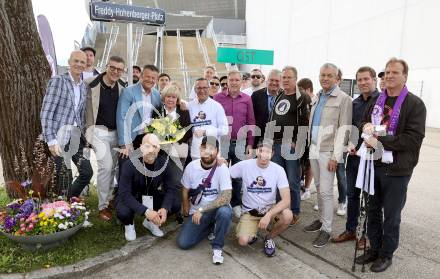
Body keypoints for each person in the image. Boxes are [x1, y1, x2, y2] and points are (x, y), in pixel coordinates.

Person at [355, 58, 426, 272]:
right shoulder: (377, 101)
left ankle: (387, 254)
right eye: (386, 72)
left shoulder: (414, 104)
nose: (389, 76)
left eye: (395, 72)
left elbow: (413, 139)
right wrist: (365, 125)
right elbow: (363, 123)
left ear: (405, 76)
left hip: (397, 169)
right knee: (372, 210)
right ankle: (375, 248)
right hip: (372, 164)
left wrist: (381, 141)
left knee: (392, 215)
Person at [304, 63, 352, 248]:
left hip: (328, 152)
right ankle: (321, 220)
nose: (325, 78)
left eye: (329, 75)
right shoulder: (317, 97)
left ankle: (326, 229)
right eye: (322, 74)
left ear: (337, 79)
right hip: (314, 148)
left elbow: (344, 129)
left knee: (325, 191)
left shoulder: (343, 99)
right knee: (318, 187)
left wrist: (335, 157)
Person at [331, 66, 380, 247]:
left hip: (373, 159)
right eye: (359, 80)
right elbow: (349, 128)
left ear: (374, 79)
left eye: (366, 79)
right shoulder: (355, 103)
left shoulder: (382, 101)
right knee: (352, 195)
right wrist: (349, 145)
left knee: (369, 198)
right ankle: (351, 230)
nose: (362, 83)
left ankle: (365, 234)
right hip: (353, 157)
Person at [40, 50, 93, 198]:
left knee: (87, 172)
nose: (79, 64)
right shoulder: (58, 81)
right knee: (65, 176)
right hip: (59, 137)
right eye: (75, 61)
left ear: (85, 65)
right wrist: (51, 140)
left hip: (76, 137)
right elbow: (46, 112)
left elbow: (81, 115)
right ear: (69, 62)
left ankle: (67, 205)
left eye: (82, 62)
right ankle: (65, 210)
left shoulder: (83, 87)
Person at [231, 141, 293, 257]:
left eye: (268, 152)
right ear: (256, 151)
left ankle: (269, 238)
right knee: (243, 241)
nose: (264, 155)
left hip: (269, 209)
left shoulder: (278, 170)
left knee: (288, 215)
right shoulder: (245, 165)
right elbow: (225, 174)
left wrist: (269, 215)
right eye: (261, 150)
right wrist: (220, 162)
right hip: (250, 211)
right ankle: (251, 232)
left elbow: (286, 200)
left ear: (272, 153)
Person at [177, 136, 232, 265]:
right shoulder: (191, 166)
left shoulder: (222, 168)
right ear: (200, 148)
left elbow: (226, 197)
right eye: (204, 147)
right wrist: (185, 206)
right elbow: (185, 188)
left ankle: (217, 247)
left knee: (225, 213)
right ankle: (210, 227)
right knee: (183, 243)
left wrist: (202, 210)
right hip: (197, 211)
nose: (207, 151)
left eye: (211, 148)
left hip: (215, 209)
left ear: (217, 152)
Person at [116, 134, 181, 240]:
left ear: (159, 148)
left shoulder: (164, 163)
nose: (151, 150)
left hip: (151, 195)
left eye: (154, 146)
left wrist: (164, 208)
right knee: (123, 212)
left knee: (175, 204)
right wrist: (146, 211)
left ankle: (150, 223)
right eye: (147, 146)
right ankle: (129, 224)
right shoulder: (129, 164)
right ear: (141, 147)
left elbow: (170, 189)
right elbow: (124, 194)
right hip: (131, 196)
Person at [85, 56, 127, 221]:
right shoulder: (91, 83)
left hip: (116, 132)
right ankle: (103, 206)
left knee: (114, 166)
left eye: (119, 69)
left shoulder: (123, 86)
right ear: (106, 66)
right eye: (113, 68)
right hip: (98, 131)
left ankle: (109, 199)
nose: (115, 72)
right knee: (106, 166)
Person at [269, 66, 310, 225]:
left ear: (295, 79)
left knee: (292, 180)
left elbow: (306, 124)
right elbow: (272, 118)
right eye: (283, 77)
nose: (285, 80)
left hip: (291, 146)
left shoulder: (302, 97)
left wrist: (298, 144)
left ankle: (295, 211)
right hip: (276, 144)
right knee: (279, 180)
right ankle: (280, 210)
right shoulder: (279, 94)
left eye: (288, 77)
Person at [214, 70, 255, 218]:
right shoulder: (217, 98)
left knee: (238, 177)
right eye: (231, 80)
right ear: (227, 81)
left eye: (237, 80)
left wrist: (250, 144)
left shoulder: (246, 99)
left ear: (241, 81)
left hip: (240, 143)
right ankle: (221, 202)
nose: (234, 82)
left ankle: (236, 203)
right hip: (222, 143)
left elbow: (251, 122)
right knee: (221, 173)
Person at [116, 64, 162, 155]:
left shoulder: (156, 94)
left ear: (156, 80)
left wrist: (181, 103)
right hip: (132, 138)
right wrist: (124, 143)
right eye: (147, 77)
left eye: (153, 78)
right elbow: (121, 117)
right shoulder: (128, 91)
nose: (150, 80)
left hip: (149, 138)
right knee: (129, 167)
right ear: (141, 76)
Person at [187, 78, 228, 163]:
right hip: (195, 154)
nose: (202, 91)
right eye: (199, 88)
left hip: (212, 154)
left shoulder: (217, 106)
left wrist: (206, 132)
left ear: (209, 89)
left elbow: (225, 130)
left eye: (205, 88)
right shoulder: (189, 106)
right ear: (195, 89)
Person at [251, 69, 283, 148]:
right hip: (259, 140)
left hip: (279, 141)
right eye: (271, 80)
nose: (274, 83)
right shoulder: (256, 96)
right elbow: (251, 119)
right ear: (266, 81)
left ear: (281, 82)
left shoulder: (285, 96)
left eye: (277, 80)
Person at [297, 78, 315, 202]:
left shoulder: (315, 101)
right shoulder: (302, 100)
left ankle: (306, 189)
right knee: (301, 163)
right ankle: (301, 186)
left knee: (309, 164)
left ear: (308, 89)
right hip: (301, 136)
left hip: (311, 137)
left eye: (302, 90)